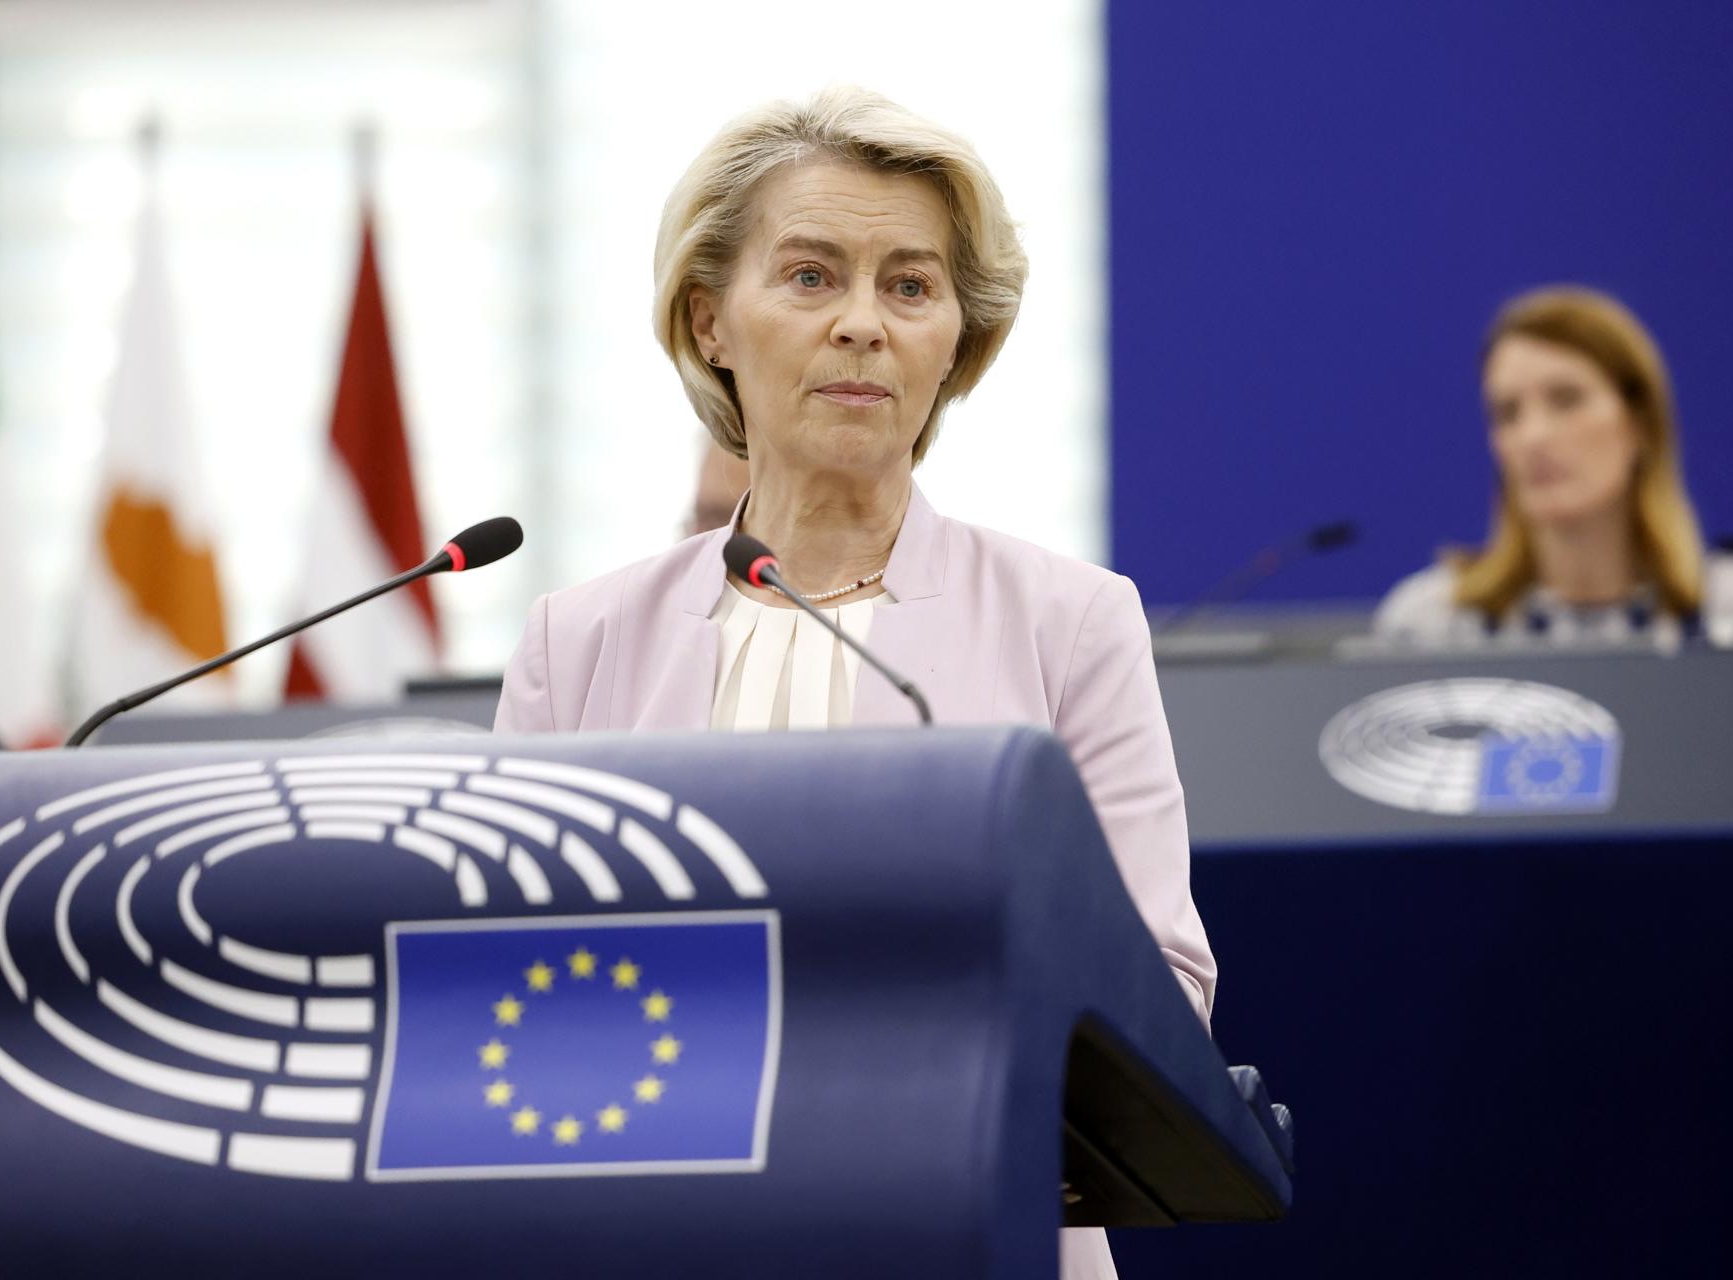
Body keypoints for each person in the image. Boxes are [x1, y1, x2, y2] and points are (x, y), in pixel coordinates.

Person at [495, 86, 1212, 1279]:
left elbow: (1165, 991)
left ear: (956, 342)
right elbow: (510, 986)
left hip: (971, 1231)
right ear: (711, 319)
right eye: (813, 275)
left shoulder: (1073, 621)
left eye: (911, 286)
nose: (864, 324)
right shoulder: (580, 640)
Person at [1375, 286, 1733, 645]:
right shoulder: (1430, 625)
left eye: (1566, 400)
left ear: (1640, 421)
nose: (1533, 437)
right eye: (1508, 413)